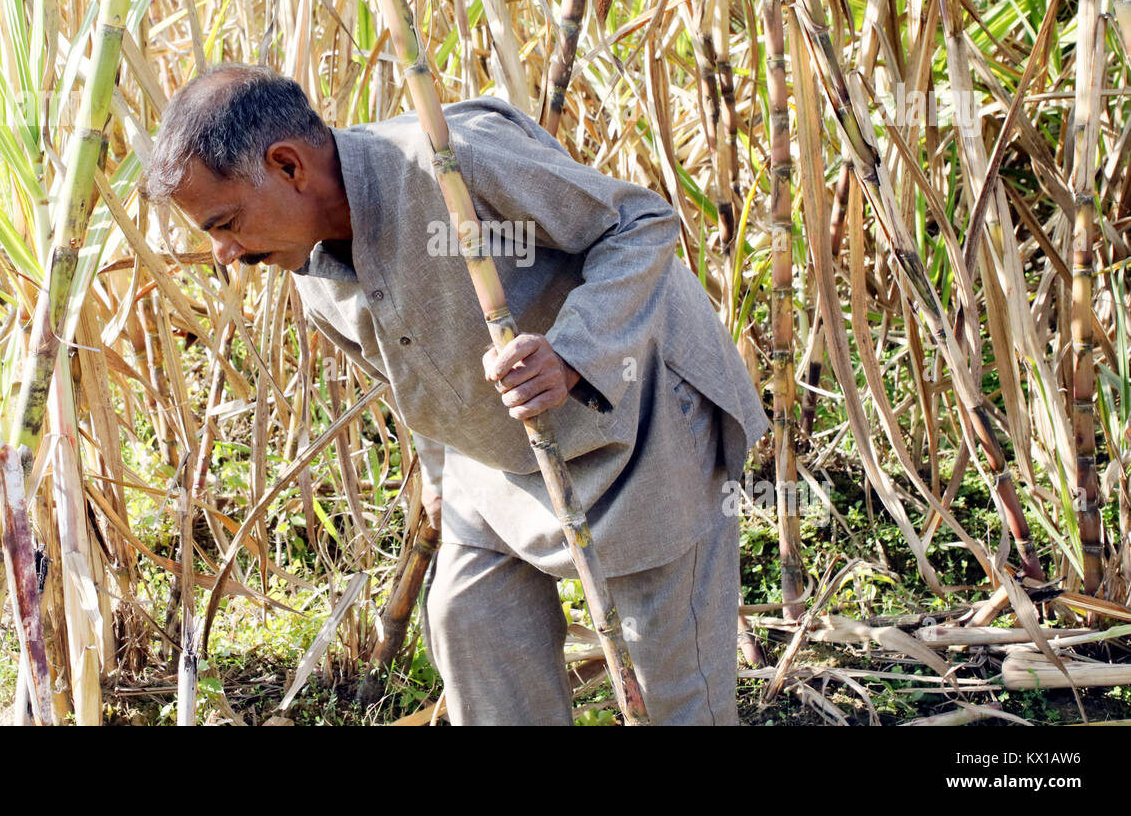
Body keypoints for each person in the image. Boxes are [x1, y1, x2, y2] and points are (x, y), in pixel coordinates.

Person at [139, 63, 770, 725]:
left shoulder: (448, 161)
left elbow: (638, 224)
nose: (222, 252)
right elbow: (409, 376)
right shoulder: (309, 267)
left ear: (288, 166)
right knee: (469, 618)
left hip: (642, 427)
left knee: (676, 694)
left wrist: (572, 354)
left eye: (225, 221)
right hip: (494, 462)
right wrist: (439, 476)